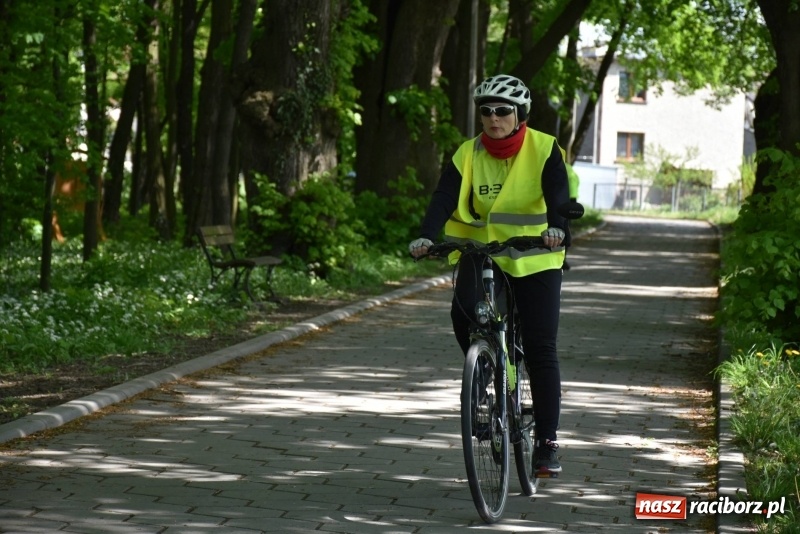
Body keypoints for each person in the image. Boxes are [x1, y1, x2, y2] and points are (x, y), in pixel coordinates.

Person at [409, 74, 570, 475]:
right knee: (463, 311)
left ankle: (547, 442)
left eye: (502, 111)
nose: (494, 118)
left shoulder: (544, 148)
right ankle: (482, 374)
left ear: (519, 115)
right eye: (486, 111)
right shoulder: (468, 153)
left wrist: (558, 228)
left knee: (540, 347)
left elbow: (558, 196)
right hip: (483, 253)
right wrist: (427, 235)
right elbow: (444, 196)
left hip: (535, 257)